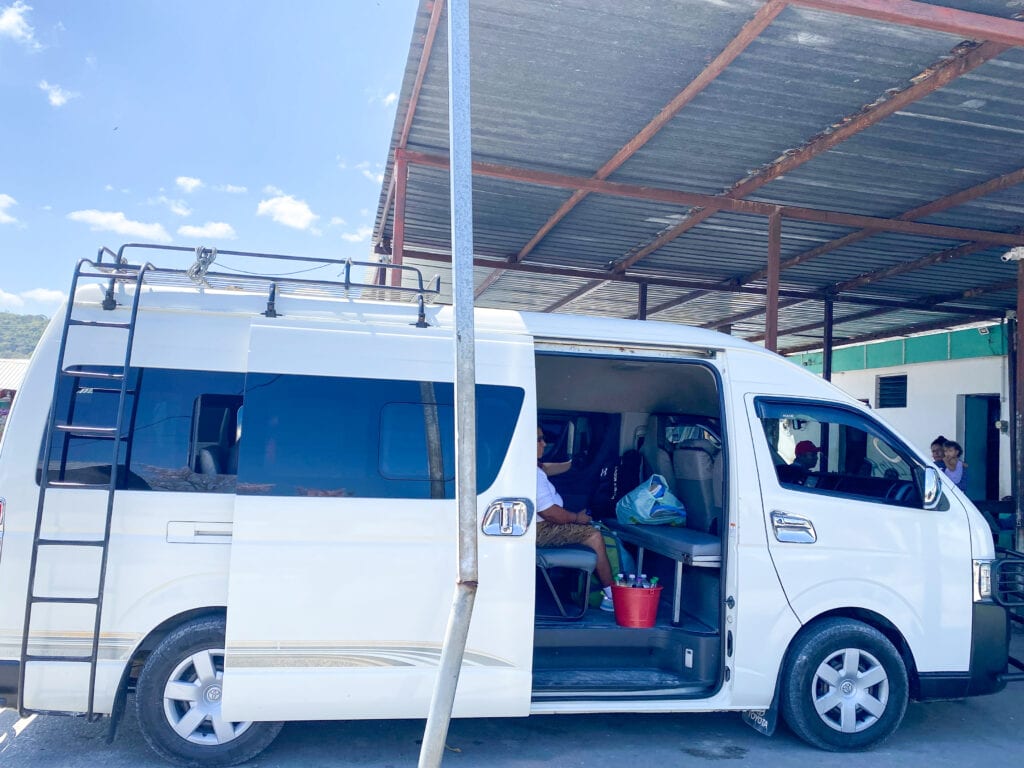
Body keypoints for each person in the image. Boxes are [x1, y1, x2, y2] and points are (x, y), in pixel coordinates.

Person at [536, 428, 615, 612]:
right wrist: (577, 518)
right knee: (593, 535)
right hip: (541, 529)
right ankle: (612, 596)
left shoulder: (532, 467)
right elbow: (550, 513)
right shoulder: (532, 474)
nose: (544, 444)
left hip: (540, 526)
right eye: (538, 440)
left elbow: (554, 467)